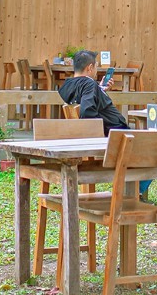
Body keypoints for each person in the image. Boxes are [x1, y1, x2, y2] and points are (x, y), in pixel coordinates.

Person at [58, 50, 151, 197]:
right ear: (89, 68)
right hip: (116, 135)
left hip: (115, 134)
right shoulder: (88, 85)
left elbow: (86, 100)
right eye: (96, 66)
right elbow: (87, 113)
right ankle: (131, 192)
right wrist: (101, 139)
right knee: (155, 147)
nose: (96, 70)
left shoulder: (71, 85)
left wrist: (100, 90)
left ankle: (131, 190)